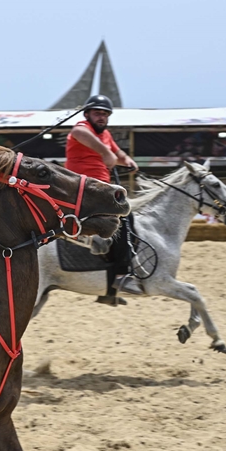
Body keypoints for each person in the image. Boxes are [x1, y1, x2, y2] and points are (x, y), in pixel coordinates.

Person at [64, 94, 141, 304]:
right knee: (124, 221)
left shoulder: (105, 134)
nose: (102, 117)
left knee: (128, 223)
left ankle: (108, 291)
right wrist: (105, 152)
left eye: (105, 114)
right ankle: (121, 276)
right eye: (98, 113)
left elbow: (118, 153)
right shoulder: (82, 128)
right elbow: (78, 132)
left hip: (102, 190)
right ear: (87, 114)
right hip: (84, 188)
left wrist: (127, 160)